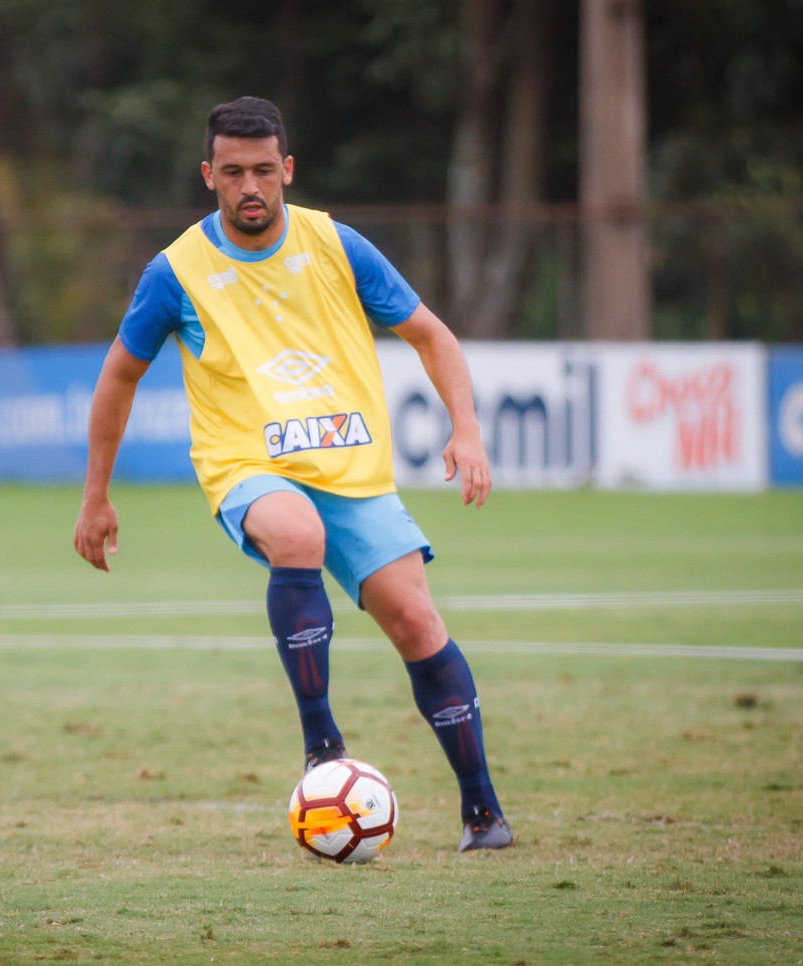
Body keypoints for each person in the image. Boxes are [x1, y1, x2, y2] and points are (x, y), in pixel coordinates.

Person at [73, 96, 512, 852]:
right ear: (208, 175)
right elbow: (119, 375)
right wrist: (96, 495)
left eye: (263, 170)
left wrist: (465, 427)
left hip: (351, 468)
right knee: (297, 532)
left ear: (288, 170)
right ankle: (322, 746)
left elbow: (431, 336)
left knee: (416, 621)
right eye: (233, 172)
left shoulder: (336, 244)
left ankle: (483, 813)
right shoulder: (176, 271)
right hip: (246, 466)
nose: (250, 186)